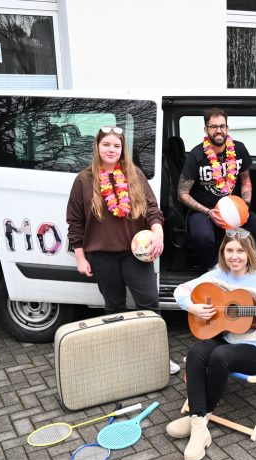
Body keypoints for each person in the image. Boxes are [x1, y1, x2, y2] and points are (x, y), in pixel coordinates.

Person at [66, 126, 179, 375]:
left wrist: (158, 233)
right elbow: (74, 223)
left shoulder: (134, 174)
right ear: (97, 147)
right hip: (101, 255)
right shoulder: (84, 180)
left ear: (122, 149)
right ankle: (119, 357)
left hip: (135, 254)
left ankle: (158, 357)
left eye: (116, 146)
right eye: (106, 144)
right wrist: (81, 258)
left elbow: (152, 210)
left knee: (149, 304)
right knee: (114, 307)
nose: (111, 150)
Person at [167, 230, 256, 460]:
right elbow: (180, 291)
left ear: (249, 253)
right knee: (196, 352)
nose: (235, 256)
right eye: (229, 250)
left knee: (219, 356)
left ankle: (198, 420)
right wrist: (193, 307)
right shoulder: (217, 275)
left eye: (240, 251)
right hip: (226, 337)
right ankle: (199, 424)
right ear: (223, 252)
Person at [178, 107, 256, 269]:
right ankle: (213, 268)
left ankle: (241, 264)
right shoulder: (196, 155)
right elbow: (182, 193)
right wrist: (208, 212)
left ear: (227, 128)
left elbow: (246, 180)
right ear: (206, 129)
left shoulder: (239, 149)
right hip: (204, 210)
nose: (219, 131)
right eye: (214, 127)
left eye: (222, 126)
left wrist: (245, 204)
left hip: (234, 207)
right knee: (203, 238)